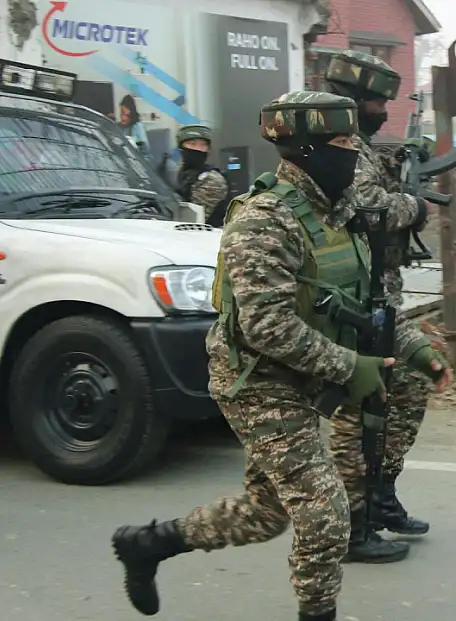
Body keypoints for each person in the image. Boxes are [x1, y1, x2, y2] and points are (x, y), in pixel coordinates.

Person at [110, 90, 395, 621]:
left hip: (303, 373)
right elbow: (267, 325)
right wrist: (347, 367)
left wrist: (410, 351)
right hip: (258, 379)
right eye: (341, 141)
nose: (354, 149)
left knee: (266, 512)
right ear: (307, 149)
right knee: (325, 511)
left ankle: (147, 545)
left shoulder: (340, 211)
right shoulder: (264, 218)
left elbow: (361, 300)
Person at [323, 49, 453, 564]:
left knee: (409, 388)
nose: (384, 109)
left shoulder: (366, 149)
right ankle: (353, 522)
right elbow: (369, 209)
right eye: (377, 100)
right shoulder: (341, 150)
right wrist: (415, 204)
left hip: (383, 288)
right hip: (356, 293)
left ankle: (381, 494)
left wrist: (405, 170)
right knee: (359, 409)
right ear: (353, 102)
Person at [173, 124, 230, 225]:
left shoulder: (212, 179)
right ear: (181, 147)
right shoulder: (181, 174)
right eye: (192, 144)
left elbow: (191, 220)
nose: (198, 149)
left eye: (203, 145)